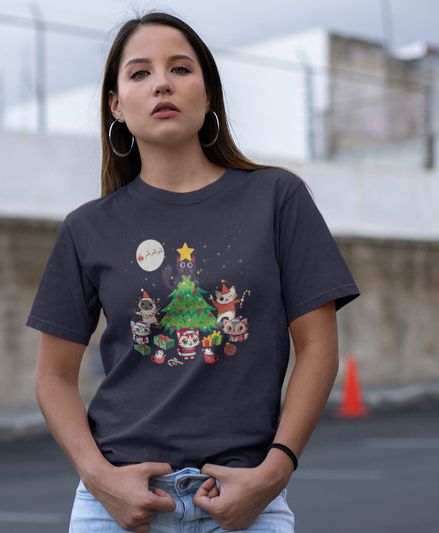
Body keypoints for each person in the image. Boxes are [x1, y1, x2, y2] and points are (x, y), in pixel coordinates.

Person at [27, 11, 359, 533]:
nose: (162, 82)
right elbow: (52, 376)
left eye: (180, 69)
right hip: (119, 503)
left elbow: (318, 348)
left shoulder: (277, 198)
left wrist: (274, 472)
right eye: (139, 73)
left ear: (208, 95)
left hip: (246, 499)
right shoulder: (86, 228)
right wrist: (99, 478)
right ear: (116, 104)